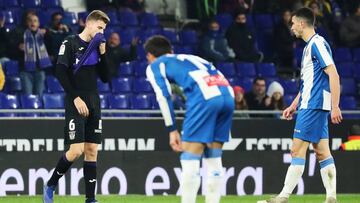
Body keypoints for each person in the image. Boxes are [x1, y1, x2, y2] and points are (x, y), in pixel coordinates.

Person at [261, 7, 342, 203]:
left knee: (297, 150)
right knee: (322, 152)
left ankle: (283, 196)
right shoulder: (309, 47)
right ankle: (331, 197)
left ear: (302, 23)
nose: (292, 26)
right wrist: (293, 105)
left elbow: (333, 73)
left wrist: (336, 106)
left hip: (313, 105)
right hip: (310, 103)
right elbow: (308, 83)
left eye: (293, 23)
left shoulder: (317, 44)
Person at [144, 35, 234, 203]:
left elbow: (163, 96)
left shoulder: (156, 65)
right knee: (214, 159)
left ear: (149, 56)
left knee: (190, 158)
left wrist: (172, 130)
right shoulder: (190, 58)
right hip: (227, 93)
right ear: (171, 51)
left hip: (205, 98)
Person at [43, 10, 110, 203]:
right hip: (76, 101)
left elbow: (105, 77)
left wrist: (104, 54)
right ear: (88, 24)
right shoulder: (70, 42)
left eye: (103, 29)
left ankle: (90, 199)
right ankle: (50, 184)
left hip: (94, 100)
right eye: (99, 27)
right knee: (76, 150)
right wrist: (76, 98)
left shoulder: (98, 46)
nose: (101, 32)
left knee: (92, 150)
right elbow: (61, 72)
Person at [21, 14, 52, 96]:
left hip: (40, 71)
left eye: (35, 21)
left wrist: (47, 32)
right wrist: (18, 47)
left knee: (39, 96)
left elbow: (54, 43)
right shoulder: (21, 34)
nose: (32, 22)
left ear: (38, 24)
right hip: (26, 71)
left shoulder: (44, 35)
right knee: (28, 97)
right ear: (27, 23)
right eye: (30, 20)